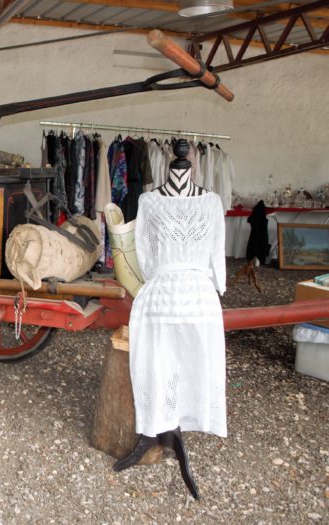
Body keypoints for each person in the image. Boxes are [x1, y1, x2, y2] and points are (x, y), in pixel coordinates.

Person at [113, 139, 227, 500]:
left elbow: (147, 259)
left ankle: (170, 424)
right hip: (183, 295)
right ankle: (159, 424)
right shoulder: (152, 201)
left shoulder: (207, 202)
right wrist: (210, 284)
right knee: (158, 364)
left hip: (177, 295)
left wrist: (169, 276)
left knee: (182, 364)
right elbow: (209, 258)